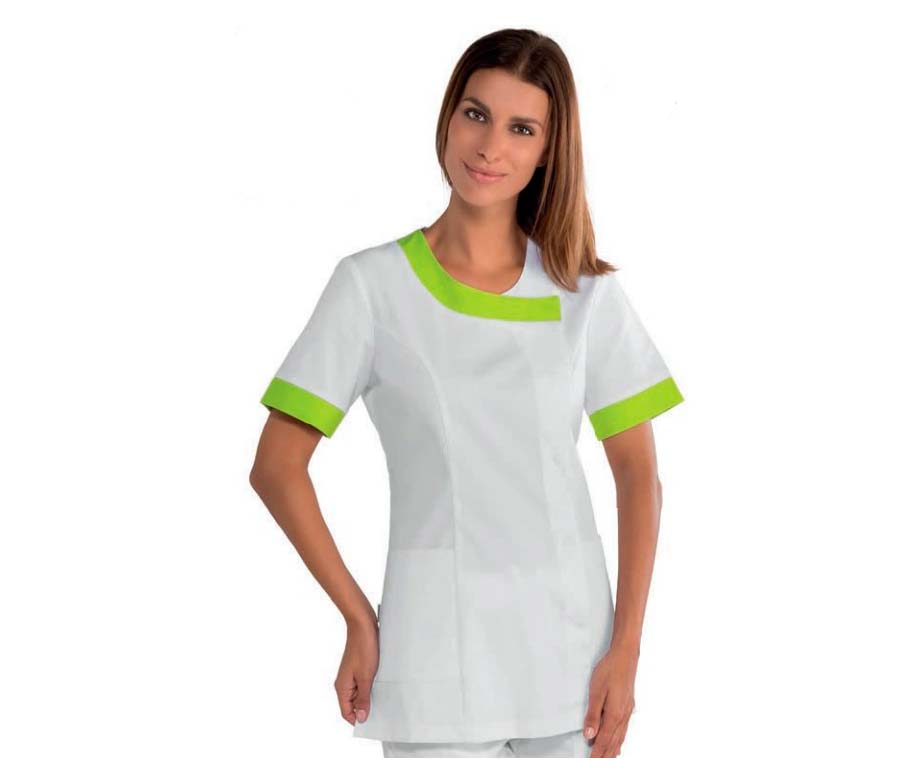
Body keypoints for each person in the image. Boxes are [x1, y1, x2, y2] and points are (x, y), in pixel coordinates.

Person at [249, 27, 684, 759]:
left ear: (549, 150)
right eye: (476, 114)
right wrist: (358, 616)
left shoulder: (586, 293)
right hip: (433, 657)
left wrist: (628, 647)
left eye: (522, 128)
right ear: (448, 115)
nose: (489, 147)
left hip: (575, 657)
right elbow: (276, 467)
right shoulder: (372, 287)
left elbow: (638, 474)